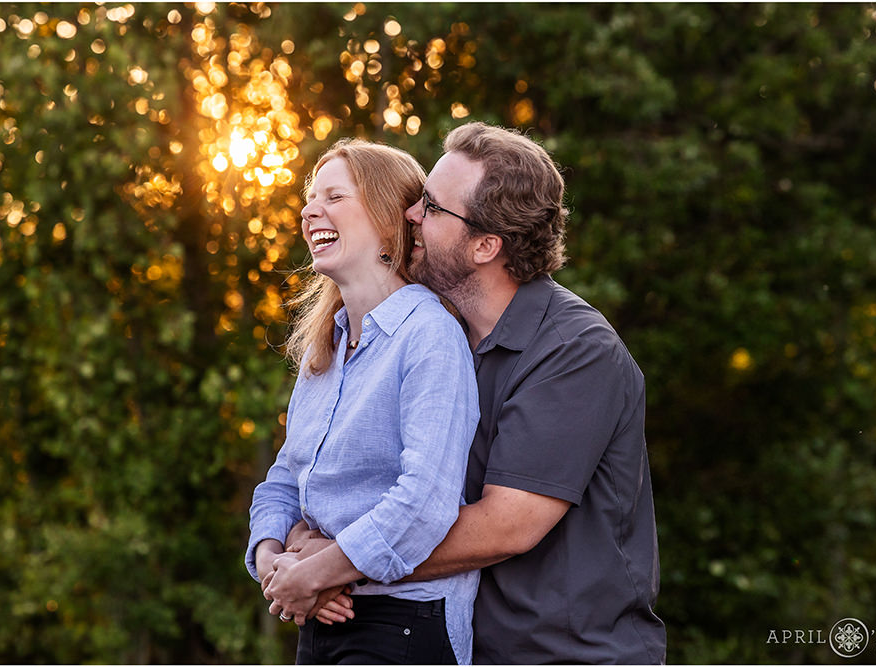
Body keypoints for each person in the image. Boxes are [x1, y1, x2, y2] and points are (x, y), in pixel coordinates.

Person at [298, 122, 667, 664]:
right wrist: (307, 546)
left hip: (566, 653)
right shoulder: (436, 334)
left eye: (432, 208)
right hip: (470, 646)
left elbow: (505, 525)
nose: (410, 215)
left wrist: (338, 565)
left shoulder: (575, 351)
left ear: (485, 245)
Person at [244, 138, 479, 665]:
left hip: (402, 625)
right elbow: (284, 481)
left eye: (333, 197)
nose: (310, 211)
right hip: (321, 619)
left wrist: (318, 572)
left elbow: (424, 501)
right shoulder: (323, 349)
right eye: (309, 198)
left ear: (386, 220)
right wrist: (274, 564)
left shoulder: (430, 336)